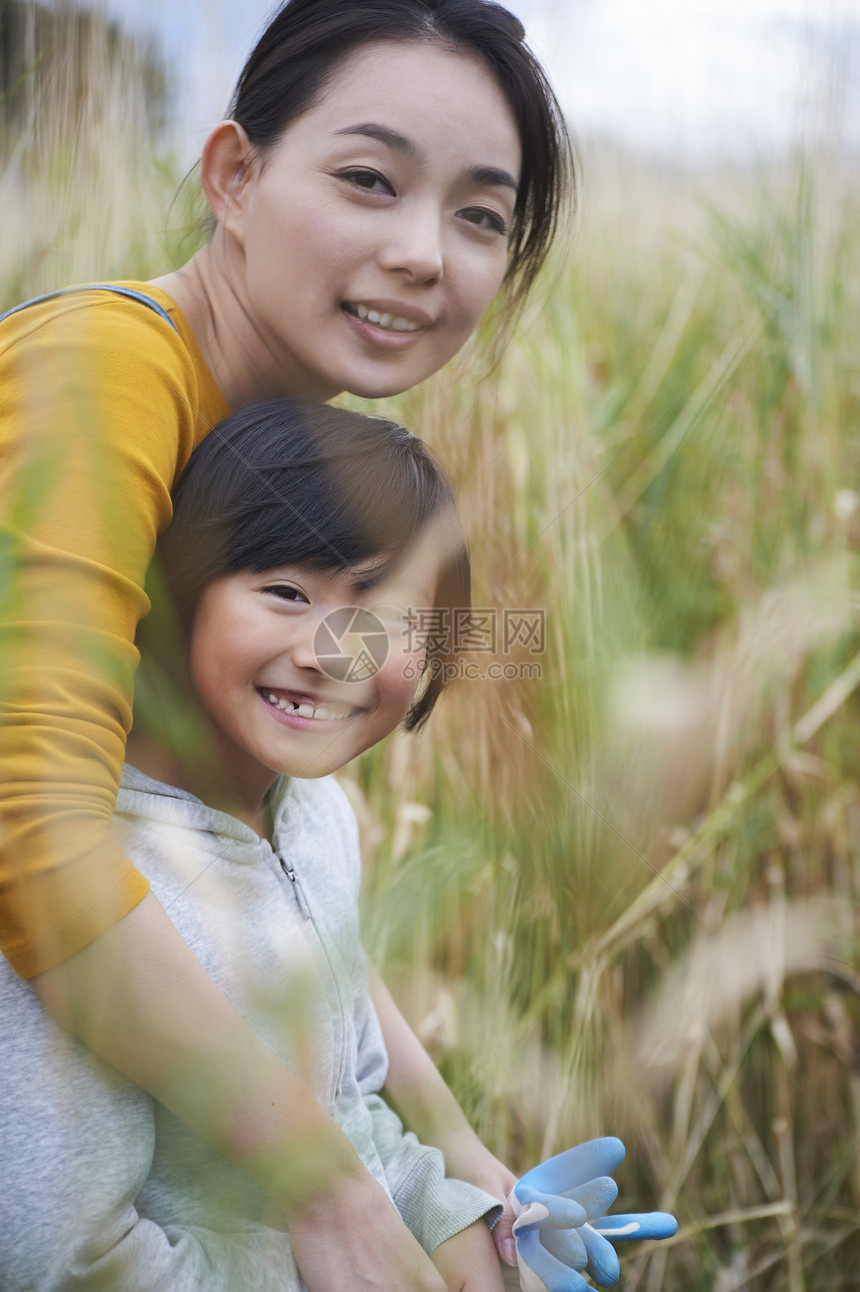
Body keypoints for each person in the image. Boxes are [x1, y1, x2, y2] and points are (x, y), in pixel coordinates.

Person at [0, 3, 572, 1287]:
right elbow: (29, 828)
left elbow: (280, 914)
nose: (423, 254)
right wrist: (325, 1188)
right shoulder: (103, 374)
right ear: (234, 177)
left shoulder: (276, 455)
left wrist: (461, 1164)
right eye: (368, 179)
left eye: (480, 214)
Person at [0, 397, 509, 1291]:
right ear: (176, 592)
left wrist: (461, 1226)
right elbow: (62, 1257)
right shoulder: (74, 885)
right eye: (285, 591)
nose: (330, 652)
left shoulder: (316, 815)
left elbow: (350, 1114)